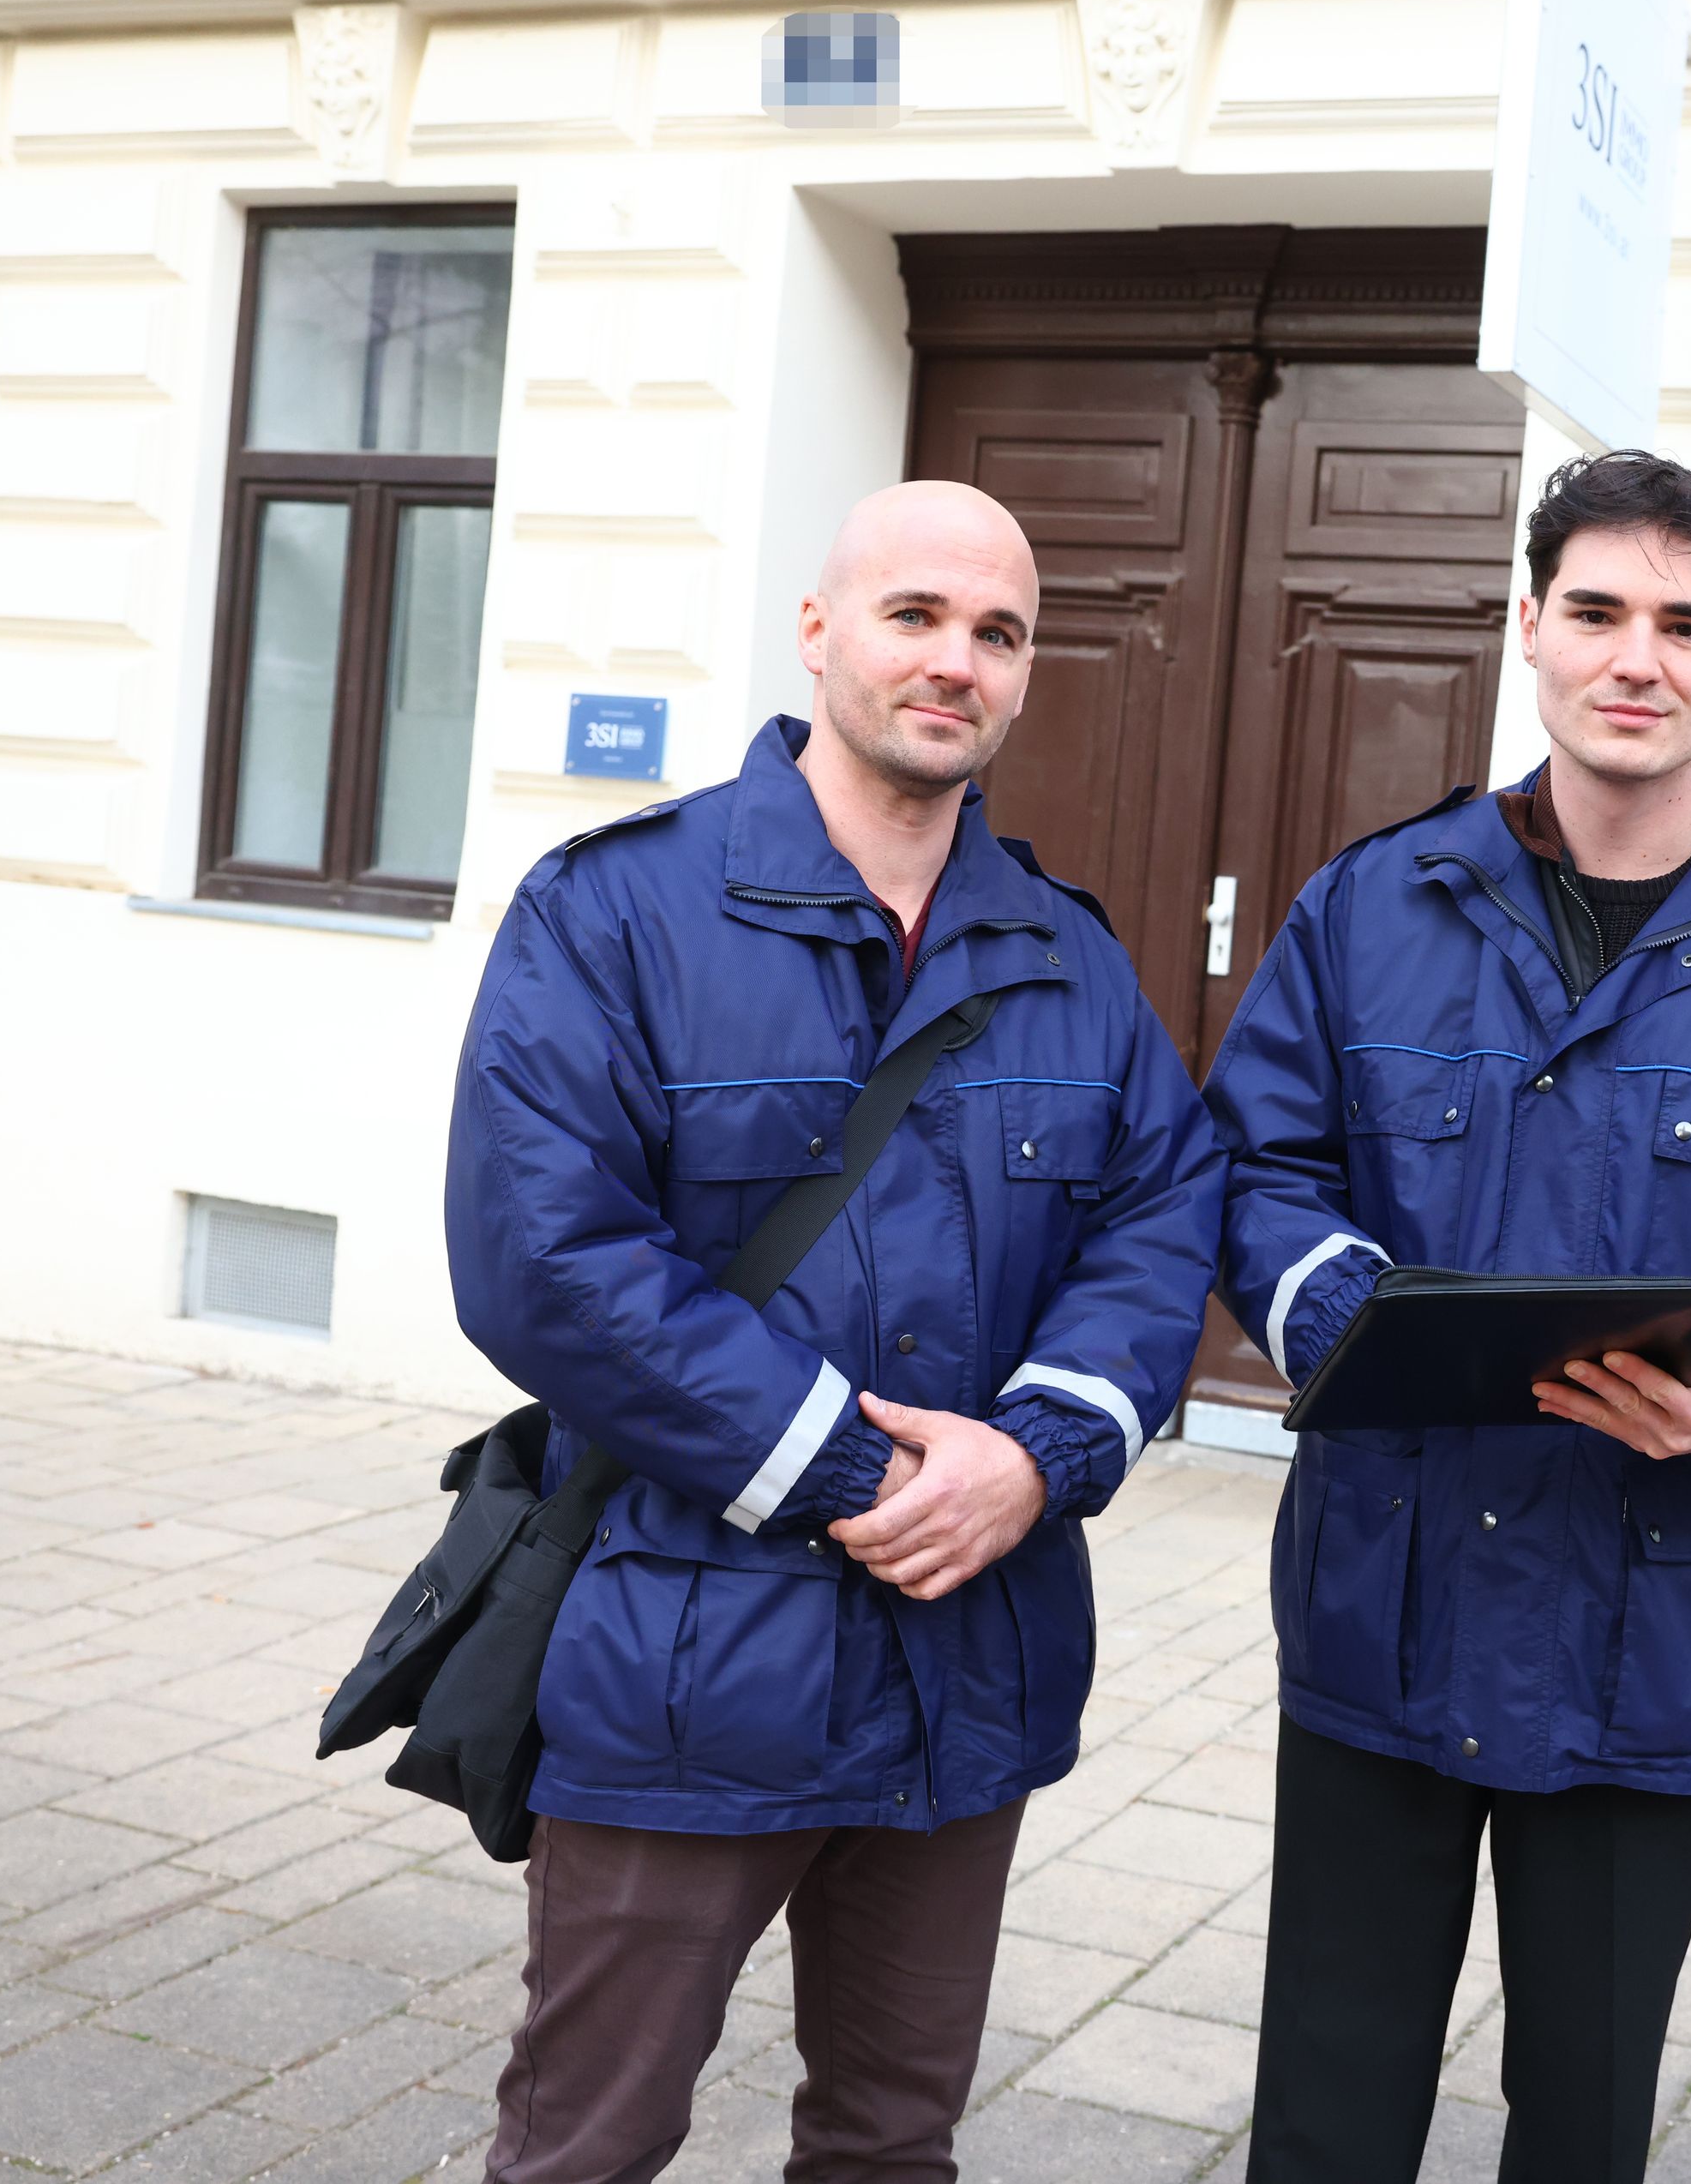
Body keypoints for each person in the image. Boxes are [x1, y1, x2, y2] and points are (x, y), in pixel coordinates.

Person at [1209, 451, 1691, 2181]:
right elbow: (1255, 1166)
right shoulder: (1371, 908)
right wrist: (1347, 1312)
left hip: (1659, 1621)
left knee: (1584, 2117)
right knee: (1327, 2105)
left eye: (1684, 623)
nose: (1636, 657)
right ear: (1530, 627)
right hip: (1387, 1591)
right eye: (1597, 611)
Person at [444, 481, 1225, 2183]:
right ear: (817, 631)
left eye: (997, 633)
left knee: (890, 2141)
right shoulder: (616, 912)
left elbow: (1163, 1218)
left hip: (967, 1666)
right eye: (914, 615)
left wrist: (1036, 1456)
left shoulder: (1064, 957)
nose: (955, 661)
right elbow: (545, 1257)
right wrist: (868, 1474)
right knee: (588, 2143)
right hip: (684, 1654)